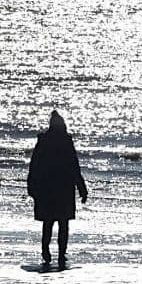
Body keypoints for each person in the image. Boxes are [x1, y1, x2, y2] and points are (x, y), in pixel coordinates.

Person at [27, 110, 88, 269]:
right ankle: (61, 253)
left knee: (48, 222)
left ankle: (46, 250)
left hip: (47, 187)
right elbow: (74, 166)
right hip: (63, 187)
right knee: (63, 222)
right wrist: (82, 189)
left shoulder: (43, 141)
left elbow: (34, 165)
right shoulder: (66, 142)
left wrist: (31, 185)